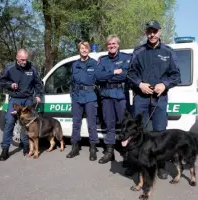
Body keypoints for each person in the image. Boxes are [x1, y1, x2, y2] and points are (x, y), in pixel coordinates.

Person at [127, 20, 181, 178]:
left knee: (160, 133)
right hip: (141, 98)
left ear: (159, 32)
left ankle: (161, 165)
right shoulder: (138, 52)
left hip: (160, 99)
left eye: (154, 31)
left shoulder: (168, 52)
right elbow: (130, 73)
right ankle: (136, 164)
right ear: (146, 33)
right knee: (137, 133)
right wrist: (139, 84)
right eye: (149, 31)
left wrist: (164, 85)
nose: (152, 34)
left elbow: (176, 76)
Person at [0, 49, 43, 161]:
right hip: (15, 99)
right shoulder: (10, 68)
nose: (24, 62)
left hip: (28, 100)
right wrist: (10, 85)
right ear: (17, 58)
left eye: (26, 59)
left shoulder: (32, 68)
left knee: (27, 124)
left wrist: (38, 95)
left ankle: (26, 146)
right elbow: (1, 82)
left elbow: (38, 83)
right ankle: (5, 149)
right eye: (22, 59)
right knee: (9, 122)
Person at [95, 34, 132, 164]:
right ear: (107, 46)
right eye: (109, 44)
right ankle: (109, 152)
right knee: (109, 124)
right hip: (106, 96)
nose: (112, 46)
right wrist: (113, 72)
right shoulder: (102, 60)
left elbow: (125, 75)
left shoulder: (127, 58)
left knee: (125, 125)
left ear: (118, 44)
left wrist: (109, 75)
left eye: (114, 44)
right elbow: (98, 77)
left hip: (121, 95)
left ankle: (127, 152)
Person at [66, 41, 99, 161]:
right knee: (76, 124)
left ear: (89, 50)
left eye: (86, 48)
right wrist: (72, 95)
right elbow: (71, 82)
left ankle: (93, 148)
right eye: (82, 48)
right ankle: (75, 148)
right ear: (79, 50)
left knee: (92, 124)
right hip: (77, 97)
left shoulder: (95, 63)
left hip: (90, 96)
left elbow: (99, 79)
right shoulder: (74, 65)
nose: (84, 50)